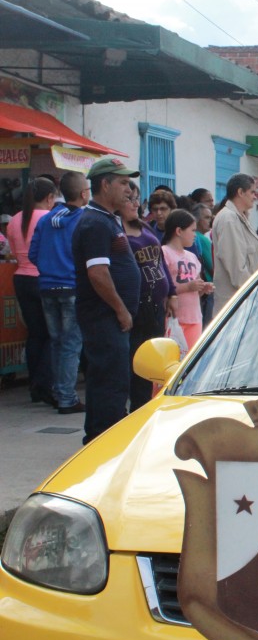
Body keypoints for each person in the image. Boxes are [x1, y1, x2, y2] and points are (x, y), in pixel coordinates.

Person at [73, 158, 141, 444]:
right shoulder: (96, 224)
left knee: (112, 382)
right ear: (104, 184)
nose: (129, 190)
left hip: (111, 319)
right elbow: (98, 273)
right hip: (104, 318)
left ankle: (104, 439)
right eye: (123, 183)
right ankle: (102, 442)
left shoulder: (106, 220)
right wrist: (121, 310)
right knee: (109, 384)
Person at [28, 171, 90, 414]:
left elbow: (33, 254)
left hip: (46, 287)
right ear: (84, 193)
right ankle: (66, 397)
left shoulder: (45, 219)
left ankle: (58, 391)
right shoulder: (82, 220)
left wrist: (49, 267)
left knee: (57, 343)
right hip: (72, 287)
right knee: (71, 344)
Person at [121, 184, 176, 412]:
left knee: (153, 360)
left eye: (137, 199)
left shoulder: (145, 229)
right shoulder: (118, 233)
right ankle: (137, 408)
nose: (136, 204)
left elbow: (160, 264)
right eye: (130, 199)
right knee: (136, 362)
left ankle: (146, 405)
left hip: (157, 306)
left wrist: (171, 292)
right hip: (136, 306)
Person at [8, 177, 56, 406]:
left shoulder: (15, 219)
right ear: (49, 198)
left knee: (35, 334)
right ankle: (44, 385)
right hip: (44, 279)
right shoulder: (49, 218)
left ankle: (34, 384)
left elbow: (13, 251)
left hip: (21, 279)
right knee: (51, 334)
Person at [211, 173, 258, 315]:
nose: (255, 196)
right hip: (236, 301)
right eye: (252, 192)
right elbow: (236, 268)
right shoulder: (229, 219)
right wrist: (256, 292)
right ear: (240, 192)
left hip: (244, 300)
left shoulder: (239, 217)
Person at [162, 209, 213, 351]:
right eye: (192, 230)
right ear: (179, 231)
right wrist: (188, 287)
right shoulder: (164, 252)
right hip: (174, 319)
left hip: (195, 318)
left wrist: (203, 288)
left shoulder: (192, 256)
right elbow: (164, 288)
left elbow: (196, 288)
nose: (195, 235)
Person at [189, 203, 215, 327]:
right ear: (197, 220)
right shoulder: (201, 239)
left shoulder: (200, 237)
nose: (209, 221)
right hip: (205, 288)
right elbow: (212, 266)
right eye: (207, 218)